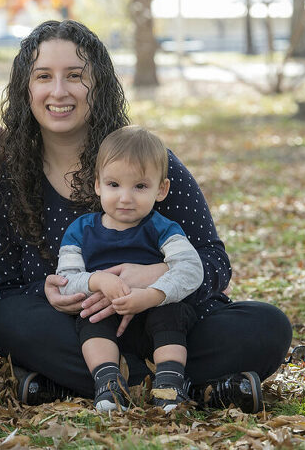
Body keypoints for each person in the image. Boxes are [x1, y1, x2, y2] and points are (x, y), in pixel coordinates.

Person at [0, 19, 292, 415]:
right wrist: (51, 293)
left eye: (75, 76)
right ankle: (184, 386)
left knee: (268, 325)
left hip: (167, 322)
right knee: (9, 320)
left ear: (100, 85)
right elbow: (3, 288)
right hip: (78, 330)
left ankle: (89, 386)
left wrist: (156, 277)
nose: (59, 91)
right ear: (27, 87)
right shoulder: (5, 184)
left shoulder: (147, 163)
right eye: (44, 76)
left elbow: (214, 263)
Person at [56, 125, 202, 413]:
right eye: (114, 185)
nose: (125, 197)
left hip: (155, 317)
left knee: (172, 312)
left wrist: (153, 295)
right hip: (106, 315)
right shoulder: (81, 230)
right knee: (91, 319)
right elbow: (66, 280)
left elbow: (191, 268)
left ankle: (169, 383)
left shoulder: (162, 228)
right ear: (97, 184)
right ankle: (108, 383)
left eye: (140, 186)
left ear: (161, 190)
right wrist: (97, 281)